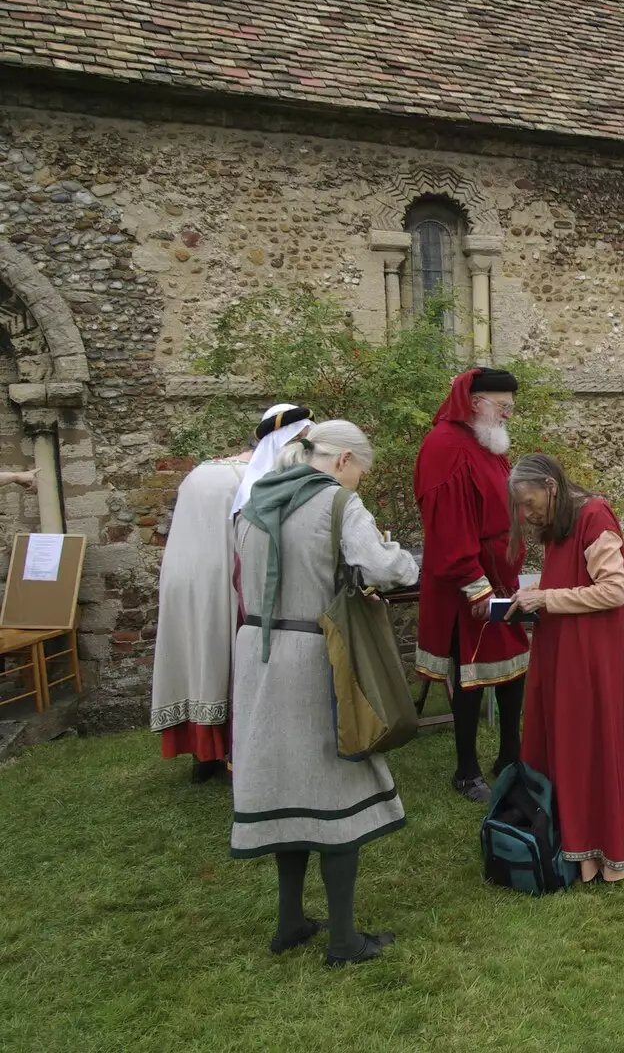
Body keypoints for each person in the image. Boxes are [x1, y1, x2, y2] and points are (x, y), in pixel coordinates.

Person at [232, 420, 418, 967]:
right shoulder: (336, 503)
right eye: (361, 469)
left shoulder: (255, 502)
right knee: (335, 789)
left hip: (256, 653)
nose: (359, 481)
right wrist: (401, 556)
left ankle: (290, 921)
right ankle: (342, 940)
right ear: (342, 461)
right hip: (315, 656)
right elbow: (386, 568)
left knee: (287, 784)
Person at [508, 454, 624, 884]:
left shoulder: (594, 517)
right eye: (520, 506)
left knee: (588, 743)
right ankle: (569, 839)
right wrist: (538, 590)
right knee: (564, 741)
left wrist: (547, 599)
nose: (526, 512)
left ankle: (602, 849)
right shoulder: (559, 523)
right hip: (562, 651)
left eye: (528, 501)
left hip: (591, 657)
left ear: (550, 485)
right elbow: (568, 575)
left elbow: (613, 591)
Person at [151, 403, 312, 783]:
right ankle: (229, 754)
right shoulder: (253, 480)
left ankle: (202, 754)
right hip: (224, 579)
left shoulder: (200, 471)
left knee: (198, 660)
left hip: (182, 581)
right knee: (229, 661)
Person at [414, 368, 528, 803]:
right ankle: (466, 769)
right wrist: (474, 582)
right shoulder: (444, 446)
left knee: (514, 665)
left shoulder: (486, 443)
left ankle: (510, 756)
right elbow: (447, 524)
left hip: (501, 576)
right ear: (475, 402)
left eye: (510, 408)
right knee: (470, 673)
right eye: (502, 406)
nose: (507, 415)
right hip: (469, 581)